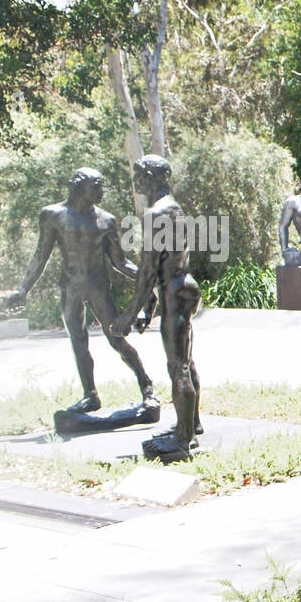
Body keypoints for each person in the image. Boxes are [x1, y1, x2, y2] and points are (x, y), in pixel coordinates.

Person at [7, 168, 156, 413]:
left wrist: (147, 280)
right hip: (70, 288)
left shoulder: (106, 220)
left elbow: (120, 262)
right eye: (97, 185)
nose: (102, 190)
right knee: (78, 341)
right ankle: (90, 395)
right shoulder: (53, 215)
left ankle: (147, 387)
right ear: (79, 186)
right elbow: (40, 255)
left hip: (98, 287)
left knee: (117, 339)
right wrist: (23, 289)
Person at [111, 155, 201, 462]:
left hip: (173, 290)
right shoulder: (174, 207)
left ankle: (183, 441)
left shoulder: (154, 213)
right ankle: (191, 424)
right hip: (183, 287)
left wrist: (128, 314)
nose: (135, 181)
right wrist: (149, 309)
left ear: (150, 177)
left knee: (179, 367)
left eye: (138, 175)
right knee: (186, 360)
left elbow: (148, 271)